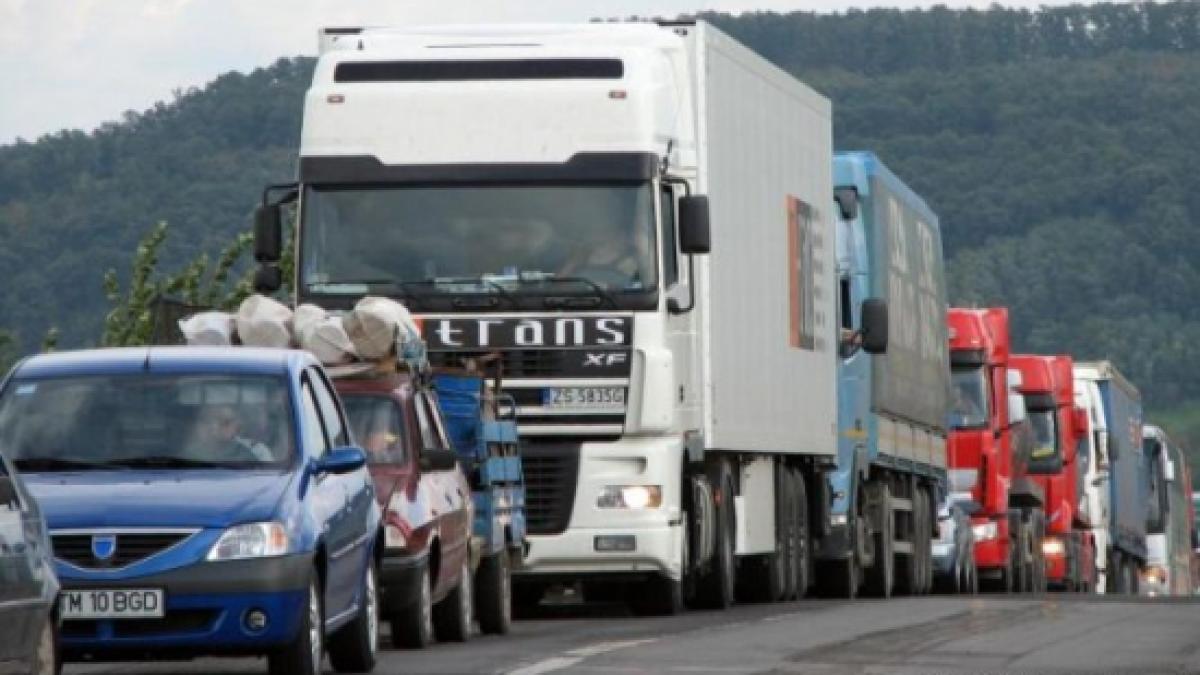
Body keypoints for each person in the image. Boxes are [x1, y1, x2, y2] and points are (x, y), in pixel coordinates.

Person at [185, 404, 273, 463]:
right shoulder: (191, 453)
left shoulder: (256, 451)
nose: (215, 426)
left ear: (238, 425)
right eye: (209, 421)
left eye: (226, 422)